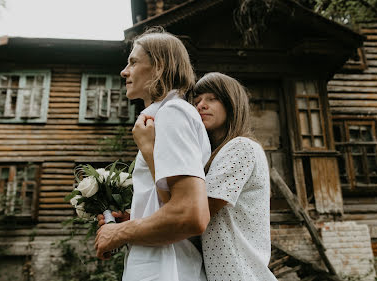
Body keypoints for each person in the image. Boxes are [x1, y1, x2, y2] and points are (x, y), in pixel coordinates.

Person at [133, 72, 278, 281]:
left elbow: (186, 214)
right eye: (197, 100)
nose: (201, 105)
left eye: (212, 98)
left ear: (232, 103)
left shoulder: (241, 147)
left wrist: (149, 150)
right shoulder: (211, 158)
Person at [94, 28, 211, 281]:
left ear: (159, 67)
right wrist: (133, 216)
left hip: (166, 267)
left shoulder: (173, 114)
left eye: (133, 62)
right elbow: (172, 202)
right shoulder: (163, 116)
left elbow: (190, 214)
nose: (124, 71)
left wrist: (119, 233)